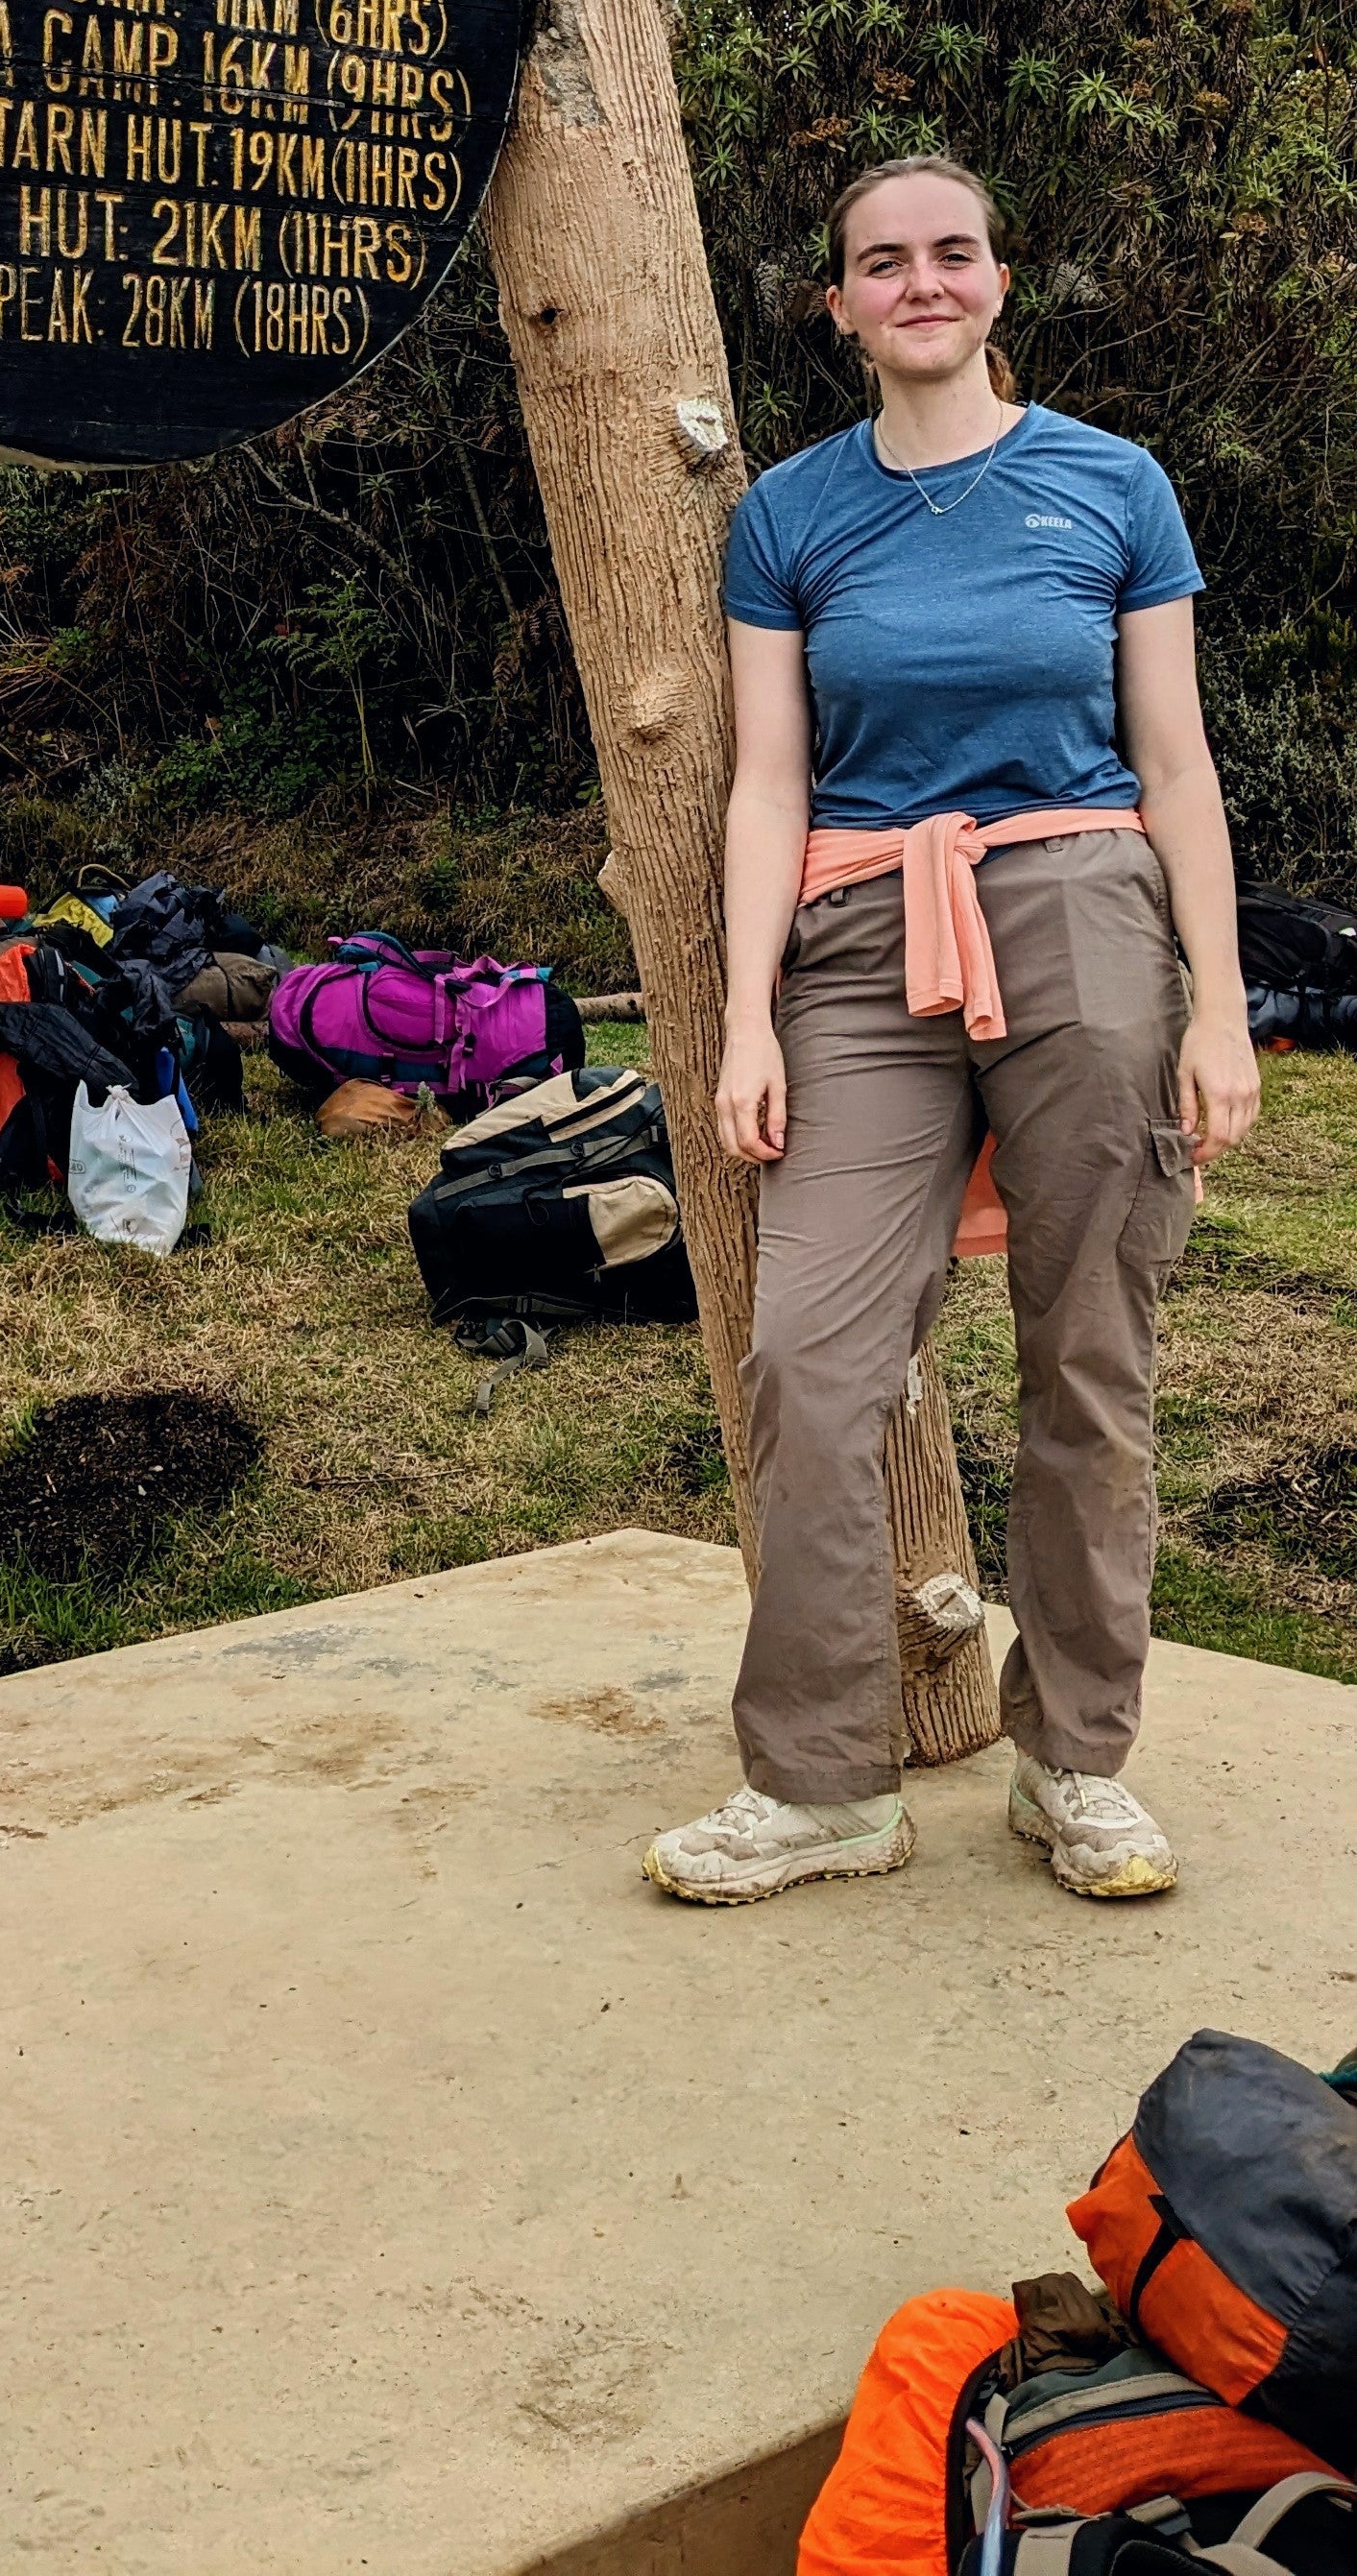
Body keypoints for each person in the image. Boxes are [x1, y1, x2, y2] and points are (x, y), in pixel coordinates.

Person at [644, 156, 1257, 1909]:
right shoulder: (792, 515)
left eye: (954, 254)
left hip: (1084, 911)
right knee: (810, 1363)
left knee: (1089, 1358)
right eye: (881, 262)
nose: (921, 282)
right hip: (854, 933)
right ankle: (826, 1786)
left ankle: (1073, 1764)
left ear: (999, 283)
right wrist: (746, 1012)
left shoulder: (1111, 485)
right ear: (838, 306)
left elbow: (1175, 763)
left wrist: (1221, 1006)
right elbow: (768, 780)